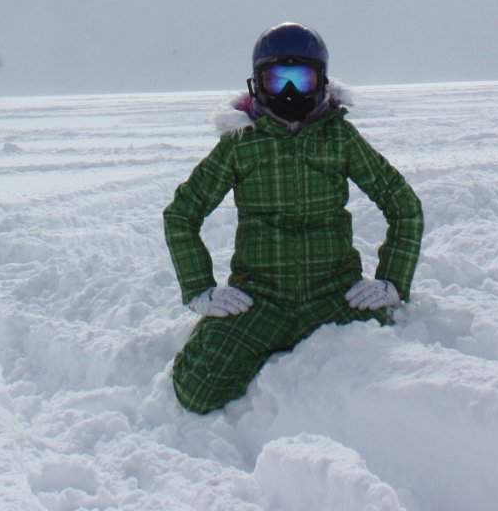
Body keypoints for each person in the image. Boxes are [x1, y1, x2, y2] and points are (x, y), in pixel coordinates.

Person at [162, 22, 424, 413]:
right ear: (257, 83)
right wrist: (201, 289)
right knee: (197, 388)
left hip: (334, 296)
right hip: (262, 299)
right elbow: (182, 215)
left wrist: (392, 281)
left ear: (321, 81)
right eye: (276, 79)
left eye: (299, 79)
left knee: (385, 385)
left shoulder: (339, 138)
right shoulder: (241, 144)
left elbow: (404, 206)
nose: (288, 92)